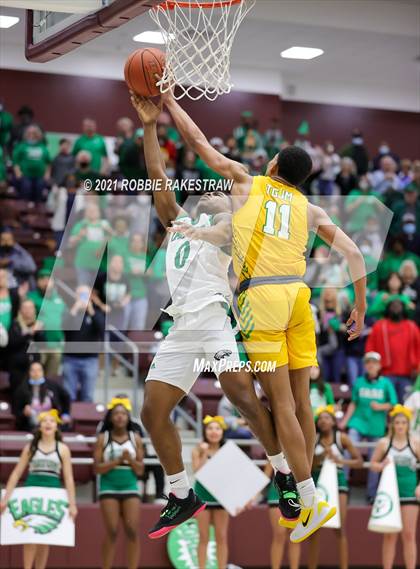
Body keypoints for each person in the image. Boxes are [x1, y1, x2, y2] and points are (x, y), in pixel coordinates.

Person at [161, 88, 367, 543]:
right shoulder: (310, 208)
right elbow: (353, 253)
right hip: (300, 298)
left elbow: (197, 142)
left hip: (262, 301)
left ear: (272, 166)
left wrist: (169, 103)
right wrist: (360, 305)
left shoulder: (246, 181)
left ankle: (308, 500)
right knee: (303, 401)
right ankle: (304, 495)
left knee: (281, 406)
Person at [131, 94, 290, 540]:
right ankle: (181, 494)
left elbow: (229, 197)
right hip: (182, 327)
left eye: (222, 193)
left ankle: (282, 473)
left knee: (240, 392)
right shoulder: (179, 222)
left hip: (215, 317)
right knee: (152, 412)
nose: (214, 192)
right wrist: (149, 125)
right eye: (210, 191)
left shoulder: (232, 231)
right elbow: (156, 175)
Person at [0, 409, 77, 569]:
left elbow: (69, 478)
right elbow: (16, 474)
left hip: (53, 493)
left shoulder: (63, 449)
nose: (48, 423)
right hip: (32, 492)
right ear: (39, 425)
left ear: (57, 426)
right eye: (44, 421)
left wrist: (72, 503)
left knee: (45, 538)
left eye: (52, 421)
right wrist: (5, 499)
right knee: (30, 536)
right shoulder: (31, 447)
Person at [308, 406, 363, 569]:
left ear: (333, 421)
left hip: (338, 483)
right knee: (314, 529)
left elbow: (359, 461)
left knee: (339, 527)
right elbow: (307, 465)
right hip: (318, 483)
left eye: (327, 418)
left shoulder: (342, 438)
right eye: (321, 418)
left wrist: (340, 461)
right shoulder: (312, 438)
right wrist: (321, 456)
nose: (324, 421)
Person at [94, 396, 144, 569]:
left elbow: (140, 470)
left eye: (124, 413)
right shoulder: (103, 437)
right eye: (116, 413)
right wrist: (116, 461)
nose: (120, 417)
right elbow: (97, 469)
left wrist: (130, 460)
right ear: (110, 417)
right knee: (112, 531)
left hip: (130, 486)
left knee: (131, 531)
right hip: (108, 487)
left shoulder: (135, 437)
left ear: (128, 417)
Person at [340, 351, 398, 502]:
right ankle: (343, 486)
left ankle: (371, 493)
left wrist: (380, 406)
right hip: (358, 422)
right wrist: (345, 421)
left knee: (374, 459)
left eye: (374, 362)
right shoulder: (359, 381)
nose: (371, 365)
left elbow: (393, 404)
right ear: (365, 366)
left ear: (379, 366)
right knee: (348, 450)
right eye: (368, 362)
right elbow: (353, 402)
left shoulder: (385, 383)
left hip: (376, 425)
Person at [370, 405, 419, 569]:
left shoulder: (415, 443)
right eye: (397, 422)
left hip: (410, 493)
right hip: (389, 494)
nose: (400, 426)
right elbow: (373, 465)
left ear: (408, 424)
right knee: (390, 535)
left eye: (403, 423)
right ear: (392, 424)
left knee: (409, 535)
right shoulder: (384, 443)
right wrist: (381, 465)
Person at [192, 416, 230, 569]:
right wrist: (203, 454)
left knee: (221, 537)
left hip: (221, 497)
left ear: (222, 432)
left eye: (217, 428)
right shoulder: (197, 450)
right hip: (202, 496)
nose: (213, 432)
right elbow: (197, 472)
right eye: (210, 428)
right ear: (205, 431)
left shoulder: (228, 451)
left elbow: (232, 476)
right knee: (203, 537)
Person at [365, 299, 420, 402]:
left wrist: (417, 367)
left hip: (407, 375)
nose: (395, 308)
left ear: (403, 309)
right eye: (392, 305)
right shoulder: (379, 326)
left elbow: (418, 349)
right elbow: (370, 348)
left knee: (405, 403)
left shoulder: (412, 326)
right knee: (386, 402)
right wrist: (373, 367)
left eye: (398, 305)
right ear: (387, 309)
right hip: (385, 374)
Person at [62, 285, 105, 402]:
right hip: (70, 359)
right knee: (68, 396)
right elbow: (64, 328)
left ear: (90, 296)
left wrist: (91, 311)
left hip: (90, 360)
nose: (82, 298)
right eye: (80, 295)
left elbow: (102, 329)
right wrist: (75, 309)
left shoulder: (96, 312)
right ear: (75, 296)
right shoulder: (69, 311)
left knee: (88, 396)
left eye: (85, 295)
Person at [13, 361, 71, 431]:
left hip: (52, 423)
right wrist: (23, 413)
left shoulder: (52, 385)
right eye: (33, 370)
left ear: (43, 371)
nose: (36, 373)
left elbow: (66, 397)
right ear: (29, 372)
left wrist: (65, 414)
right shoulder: (22, 389)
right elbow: (16, 411)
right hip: (30, 426)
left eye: (39, 370)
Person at [264, 462, 301, 569]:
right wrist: (253, 496)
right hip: (276, 495)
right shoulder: (274, 449)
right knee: (279, 535)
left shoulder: (298, 449)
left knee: (295, 537)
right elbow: (266, 474)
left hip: (296, 495)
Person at [7, 299, 46, 395]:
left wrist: (39, 333)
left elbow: (43, 344)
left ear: (34, 310)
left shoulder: (38, 325)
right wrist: (29, 333)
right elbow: (12, 343)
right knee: (17, 395)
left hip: (34, 368)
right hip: (18, 369)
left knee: (35, 395)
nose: (28, 310)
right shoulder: (15, 325)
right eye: (25, 308)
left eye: (30, 308)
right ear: (20, 310)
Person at [12, 125, 50, 202]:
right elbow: (15, 161)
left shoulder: (43, 147)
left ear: (38, 135)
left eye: (34, 133)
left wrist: (47, 174)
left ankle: (37, 211)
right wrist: (18, 172)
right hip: (25, 175)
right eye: (29, 133)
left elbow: (48, 162)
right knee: (26, 190)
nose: (31, 135)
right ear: (26, 134)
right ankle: (23, 210)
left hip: (39, 176)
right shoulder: (21, 146)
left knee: (39, 191)